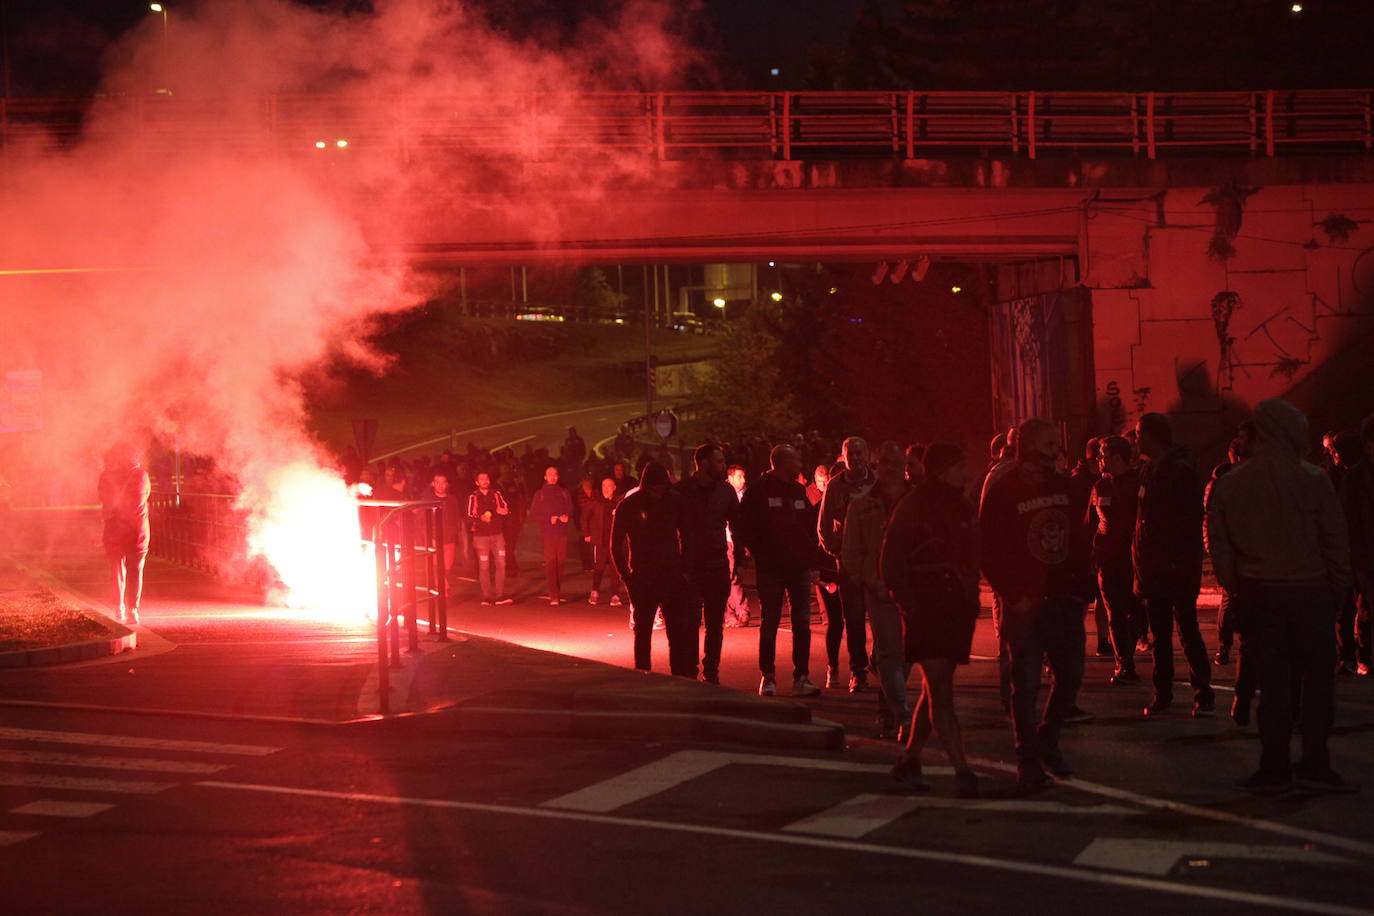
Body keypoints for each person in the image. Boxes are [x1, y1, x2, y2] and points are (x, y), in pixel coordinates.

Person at [1207, 398, 1355, 793]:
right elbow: (1335, 540)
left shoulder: (1230, 483)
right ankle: (1314, 763)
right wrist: (1338, 587)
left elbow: (1220, 547)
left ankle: (1273, 766)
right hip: (1310, 590)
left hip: (1259, 591)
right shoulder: (1312, 479)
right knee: (1317, 685)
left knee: (1273, 686)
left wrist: (1235, 587)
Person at [980, 418, 1094, 792]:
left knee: (1071, 676)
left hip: (1064, 599)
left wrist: (1083, 589)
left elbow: (1079, 538)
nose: (1055, 448)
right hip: (1024, 603)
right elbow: (989, 548)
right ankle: (1028, 760)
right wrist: (1012, 591)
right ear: (1027, 445)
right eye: (1047, 442)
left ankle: (1048, 739)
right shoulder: (1004, 488)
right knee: (1025, 686)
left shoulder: (1065, 485)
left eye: (1055, 442)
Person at [884, 442, 980, 798]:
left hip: (954, 606)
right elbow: (891, 562)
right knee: (941, 688)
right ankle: (962, 770)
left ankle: (908, 759)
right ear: (942, 469)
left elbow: (972, 551)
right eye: (960, 467)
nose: (967, 474)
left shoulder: (961, 503)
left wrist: (968, 593)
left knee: (934, 686)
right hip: (928, 603)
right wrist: (910, 604)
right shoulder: (914, 505)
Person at [1133, 412, 1214, 717]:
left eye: (1140, 433)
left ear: (1154, 436)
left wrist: (1175, 563)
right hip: (1153, 571)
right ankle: (1162, 692)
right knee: (1159, 636)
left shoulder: (1179, 472)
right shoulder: (1147, 470)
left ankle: (1202, 693)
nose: (1135, 438)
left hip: (1176, 569)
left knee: (1188, 631)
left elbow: (1187, 523)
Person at [738, 445, 821, 698]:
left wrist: (812, 561)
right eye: (796, 459)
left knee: (802, 623)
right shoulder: (759, 491)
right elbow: (745, 527)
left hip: (798, 567)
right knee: (770, 622)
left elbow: (809, 528)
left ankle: (801, 677)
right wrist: (759, 552)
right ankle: (768, 676)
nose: (800, 464)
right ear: (784, 463)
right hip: (771, 568)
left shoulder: (798, 491)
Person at [842, 442, 911, 737]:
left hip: (911, 590)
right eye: (888, 463)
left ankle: (894, 709)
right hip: (880, 588)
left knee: (904, 654)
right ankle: (899, 715)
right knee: (891, 653)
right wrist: (867, 579)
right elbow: (850, 549)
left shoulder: (914, 501)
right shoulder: (862, 503)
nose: (893, 469)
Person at [609, 461, 695, 676]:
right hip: (643, 576)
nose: (659, 492)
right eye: (655, 488)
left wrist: (684, 569)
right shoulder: (629, 505)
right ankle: (643, 675)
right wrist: (626, 576)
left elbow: (688, 535)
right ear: (646, 485)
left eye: (662, 487)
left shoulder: (674, 501)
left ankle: (679, 676)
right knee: (643, 630)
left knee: (677, 631)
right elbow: (615, 543)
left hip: (671, 574)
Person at [676, 443, 740, 684]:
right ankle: (691, 671)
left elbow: (737, 524)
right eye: (720, 461)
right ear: (704, 464)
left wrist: (741, 556)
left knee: (715, 624)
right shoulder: (681, 492)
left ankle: (711, 672)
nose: (723, 466)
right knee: (691, 623)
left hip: (717, 564)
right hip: (690, 567)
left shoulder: (725, 492)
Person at [817, 436, 874, 692]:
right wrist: (835, 548)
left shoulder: (878, 483)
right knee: (853, 618)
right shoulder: (835, 486)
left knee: (883, 615)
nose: (856, 458)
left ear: (867, 454)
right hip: (848, 561)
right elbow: (823, 524)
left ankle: (880, 663)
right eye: (851, 454)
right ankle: (857, 671)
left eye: (860, 453)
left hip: (875, 559)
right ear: (844, 456)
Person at [1088, 436, 1144, 685]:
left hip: (1135, 558)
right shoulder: (1100, 486)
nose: (1099, 459)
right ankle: (1124, 663)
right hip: (1108, 559)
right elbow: (1090, 522)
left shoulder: (1139, 484)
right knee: (1115, 612)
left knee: (1138, 611)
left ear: (1118, 458)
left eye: (1103, 455)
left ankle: (1131, 650)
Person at [98, 443, 151, 625]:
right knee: (136, 570)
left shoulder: (106, 477)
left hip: (114, 530)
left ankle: (118, 607)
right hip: (137, 529)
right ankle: (133, 611)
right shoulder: (141, 476)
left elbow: (104, 500)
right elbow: (144, 497)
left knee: (116, 570)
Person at [1339, 415, 1374, 677]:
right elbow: (1347, 520)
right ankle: (1364, 657)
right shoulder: (1355, 479)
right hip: (1364, 554)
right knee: (1365, 607)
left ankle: (1364, 656)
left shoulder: (1356, 477)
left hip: (1363, 552)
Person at [808, 464, 846, 687]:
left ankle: (858, 668)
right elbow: (813, 542)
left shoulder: (860, 506)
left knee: (855, 619)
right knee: (835, 621)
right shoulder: (818, 510)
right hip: (830, 570)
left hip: (854, 568)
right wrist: (817, 572)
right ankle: (833, 666)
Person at [528, 466, 573, 606]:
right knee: (551, 562)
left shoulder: (564, 492)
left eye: (555, 475)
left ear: (558, 477)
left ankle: (556, 591)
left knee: (560, 563)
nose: (552, 477)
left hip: (562, 533)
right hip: (547, 533)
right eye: (549, 475)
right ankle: (554, 594)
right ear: (545, 477)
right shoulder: (539, 494)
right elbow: (534, 515)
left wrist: (567, 517)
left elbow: (571, 508)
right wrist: (548, 519)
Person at [468, 471, 512, 605]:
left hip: (498, 535)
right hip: (481, 537)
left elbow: (506, 509)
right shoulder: (473, 497)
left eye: (486, 478)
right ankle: (486, 596)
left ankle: (499, 596)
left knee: (501, 564)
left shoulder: (496, 494)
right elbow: (469, 515)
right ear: (477, 482)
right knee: (484, 566)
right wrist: (480, 518)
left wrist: (504, 511)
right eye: (481, 479)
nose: (485, 481)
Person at [585, 477, 626, 607]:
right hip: (600, 541)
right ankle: (595, 591)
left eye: (609, 486)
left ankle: (615, 595)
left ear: (614, 487)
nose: (606, 489)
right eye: (603, 486)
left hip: (615, 541)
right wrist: (586, 534)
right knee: (599, 567)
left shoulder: (620, 502)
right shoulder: (596, 502)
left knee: (615, 569)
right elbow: (585, 517)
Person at [426, 472, 464, 590]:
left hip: (449, 539)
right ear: (433, 484)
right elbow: (422, 521)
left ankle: (442, 590)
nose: (440, 485)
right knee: (436, 567)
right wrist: (429, 538)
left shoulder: (452, 499)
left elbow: (457, 518)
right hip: (434, 539)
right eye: (437, 483)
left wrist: (457, 535)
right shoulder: (428, 500)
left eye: (443, 483)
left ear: (447, 484)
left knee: (447, 568)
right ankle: (443, 591)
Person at [725, 464, 751, 626]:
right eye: (739, 477)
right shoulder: (723, 494)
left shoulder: (745, 495)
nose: (743, 480)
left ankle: (732, 613)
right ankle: (740, 610)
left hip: (740, 540)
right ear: (730, 478)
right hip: (727, 539)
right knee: (731, 576)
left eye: (744, 476)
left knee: (736, 575)